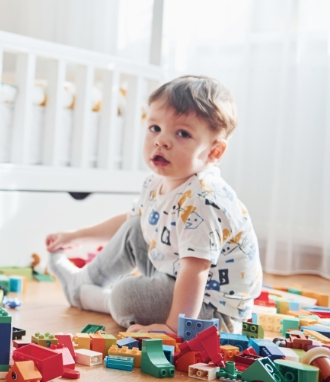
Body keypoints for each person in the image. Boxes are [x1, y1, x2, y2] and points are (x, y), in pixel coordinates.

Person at [46, 75, 262, 334]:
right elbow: (130, 221)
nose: (161, 141)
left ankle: (95, 299)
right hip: (172, 275)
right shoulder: (156, 182)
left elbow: (196, 272)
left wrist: (173, 329)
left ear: (214, 152)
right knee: (135, 226)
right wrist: (77, 235)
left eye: (182, 133)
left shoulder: (203, 200)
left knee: (125, 294)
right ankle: (81, 284)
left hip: (210, 312)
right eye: (155, 128)